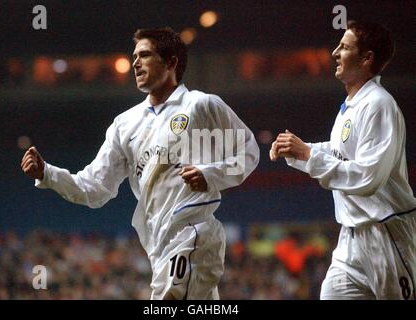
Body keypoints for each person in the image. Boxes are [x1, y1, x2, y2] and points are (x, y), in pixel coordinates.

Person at [21, 27, 260, 300]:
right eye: (134, 56)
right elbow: (94, 188)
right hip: (157, 246)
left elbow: (248, 152)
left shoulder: (201, 105)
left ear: (171, 62)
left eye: (145, 55)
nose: (135, 62)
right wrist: (47, 173)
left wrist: (211, 175)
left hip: (193, 235)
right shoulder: (125, 124)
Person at [270, 20, 415, 299]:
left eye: (345, 47)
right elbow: (339, 152)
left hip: (385, 233)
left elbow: (368, 177)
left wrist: (307, 154)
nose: (335, 52)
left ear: (367, 58)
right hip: (350, 239)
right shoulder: (351, 106)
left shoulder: (379, 105)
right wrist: (299, 152)